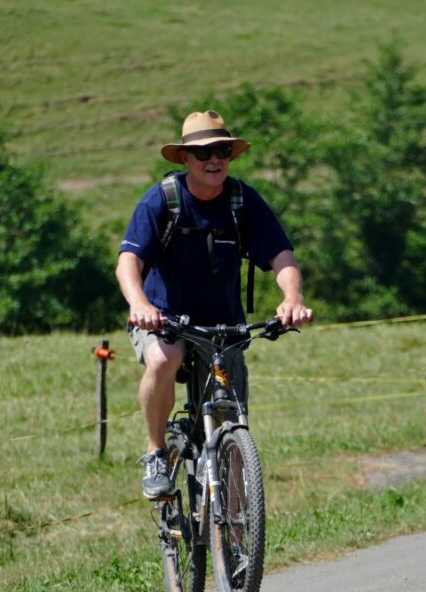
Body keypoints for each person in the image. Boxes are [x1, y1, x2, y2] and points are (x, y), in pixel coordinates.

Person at [116, 109, 314, 499]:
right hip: (163, 320)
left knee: (231, 429)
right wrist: (140, 305)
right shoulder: (163, 200)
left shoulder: (242, 200)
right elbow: (128, 262)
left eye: (222, 150)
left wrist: (292, 298)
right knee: (163, 358)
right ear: (185, 158)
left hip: (223, 327)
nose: (214, 160)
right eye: (203, 152)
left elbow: (282, 257)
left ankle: (237, 542)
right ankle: (156, 452)